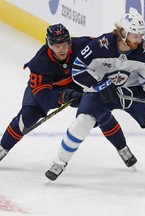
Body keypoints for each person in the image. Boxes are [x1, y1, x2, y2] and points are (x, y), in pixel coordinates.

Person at [45, 12, 145, 184]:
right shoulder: (100, 46)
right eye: (135, 35)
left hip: (133, 90)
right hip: (100, 89)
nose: (139, 40)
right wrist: (101, 85)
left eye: (141, 35)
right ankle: (59, 162)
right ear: (123, 33)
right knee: (83, 121)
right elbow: (78, 71)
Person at [0, 23, 137, 169]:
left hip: (77, 83)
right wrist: (63, 96)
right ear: (49, 45)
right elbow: (43, 96)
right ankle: (3, 148)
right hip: (50, 91)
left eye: (65, 44)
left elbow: (107, 45)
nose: (62, 49)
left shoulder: (82, 45)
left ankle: (122, 147)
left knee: (99, 111)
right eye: (57, 46)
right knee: (27, 116)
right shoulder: (39, 63)